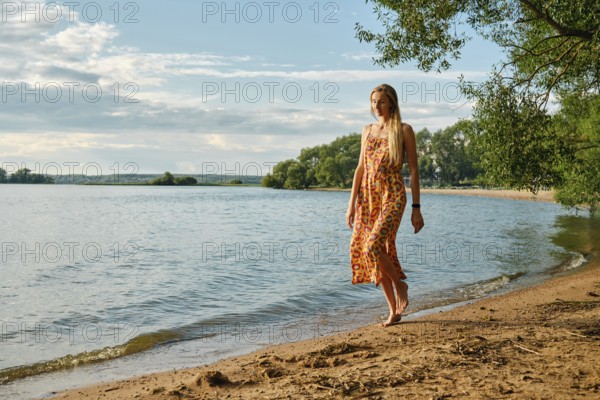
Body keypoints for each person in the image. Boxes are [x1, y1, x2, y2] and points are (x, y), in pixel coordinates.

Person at [346, 83, 424, 327]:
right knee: (377, 254)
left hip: (392, 195)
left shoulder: (403, 130)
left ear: (391, 102)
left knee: (373, 246)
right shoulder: (367, 130)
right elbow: (360, 168)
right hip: (367, 199)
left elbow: (413, 169)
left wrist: (416, 208)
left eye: (380, 101)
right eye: (373, 102)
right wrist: (351, 205)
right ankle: (394, 311)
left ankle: (400, 284)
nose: (376, 106)